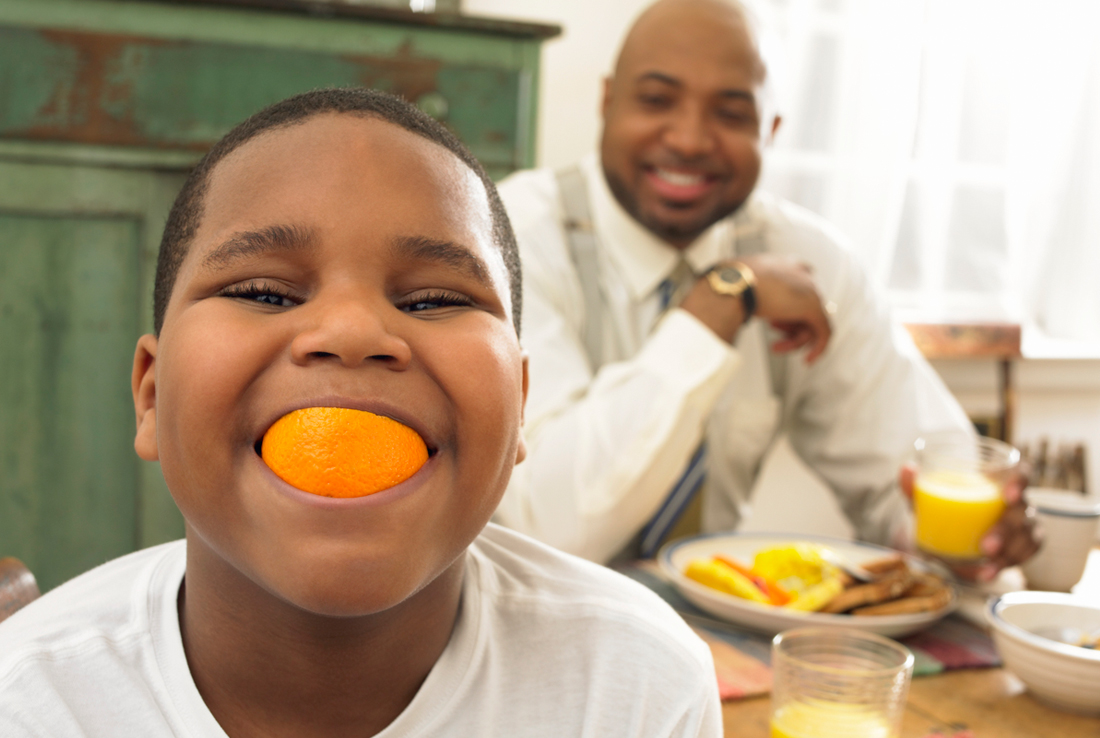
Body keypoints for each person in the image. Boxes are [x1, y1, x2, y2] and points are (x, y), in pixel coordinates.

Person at [0, 89, 721, 737]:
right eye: (265, 292)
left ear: (520, 407)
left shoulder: (636, 688)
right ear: (152, 396)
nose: (351, 334)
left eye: (435, 301)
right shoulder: (30, 703)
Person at [493, 0, 1039, 578]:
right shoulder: (509, 238)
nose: (689, 139)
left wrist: (971, 538)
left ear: (770, 130)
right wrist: (720, 302)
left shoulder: (811, 262)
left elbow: (907, 477)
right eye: (656, 101)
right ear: (607, 102)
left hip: (714, 636)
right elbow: (550, 526)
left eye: (731, 114)